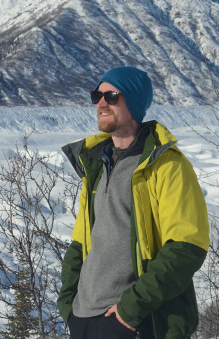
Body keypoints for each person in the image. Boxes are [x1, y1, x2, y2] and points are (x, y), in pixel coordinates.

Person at [57, 66, 210, 339]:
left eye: (112, 96)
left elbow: (187, 247)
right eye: (97, 96)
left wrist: (131, 309)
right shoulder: (95, 167)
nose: (102, 103)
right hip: (84, 319)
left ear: (135, 101)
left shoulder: (167, 166)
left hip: (136, 322)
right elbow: (79, 244)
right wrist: (69, 304)